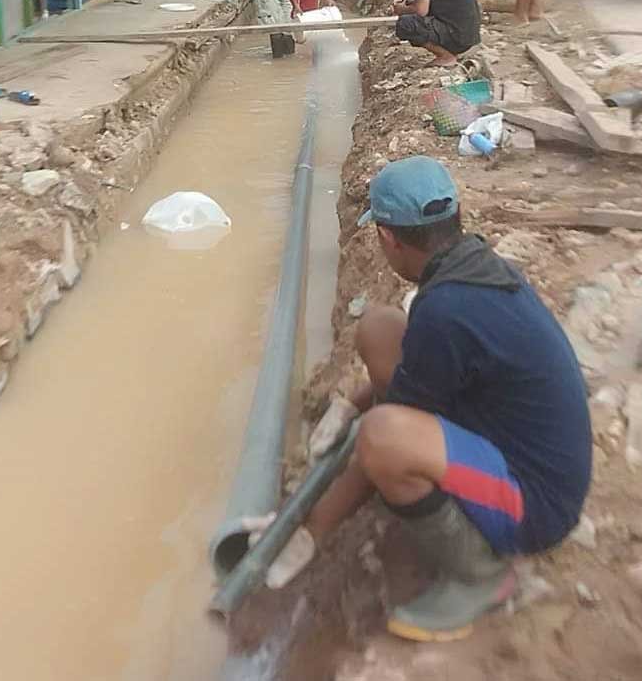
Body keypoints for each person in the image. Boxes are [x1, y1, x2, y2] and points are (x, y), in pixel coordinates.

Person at [249, 156, 593, 643]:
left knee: (382, 438)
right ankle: (420, 472)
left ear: (389, 238)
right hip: (519, 445)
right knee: (379, 325)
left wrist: (310, 531)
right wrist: (351, 402)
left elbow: (384, 431)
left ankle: (481, 575)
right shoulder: (475, 270)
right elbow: (416, 367)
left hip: (535, 504)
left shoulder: (447, 310)